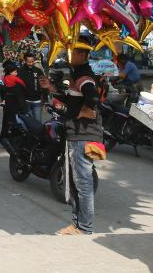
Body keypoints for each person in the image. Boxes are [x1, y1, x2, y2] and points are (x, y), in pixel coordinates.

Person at [57, 46, 104, 236]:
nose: (69, 55)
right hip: (77, 134)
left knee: (83, 184)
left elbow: (92, 96)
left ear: (82, 55)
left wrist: (85, 110)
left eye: (72, 53)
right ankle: (77, 223)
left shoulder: (84, 75)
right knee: (77, 183)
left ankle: (84, 227)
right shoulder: (77, 74)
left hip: (83, 136)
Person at [0, 61, 26, 150]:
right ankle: (12, 140)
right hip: (14, 104)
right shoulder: (15, 80)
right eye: (15, 72)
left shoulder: (4, 79)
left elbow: (3, 90)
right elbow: (20, 93)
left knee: (6, 122)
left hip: (7, 104)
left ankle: (3, 138)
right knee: (14, 123)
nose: (16, 73)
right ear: (11, 72)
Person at [19, 53, 45, 122]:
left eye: (32, 61)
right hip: (26, 101)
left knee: (38, 122)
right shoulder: (20, 71)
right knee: (29, 122)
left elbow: (44, 85)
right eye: (29, 62)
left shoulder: (38, 71)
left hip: (37, 101)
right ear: (25, 61)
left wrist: (45, 100)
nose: (30, 63)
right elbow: (18, 87)